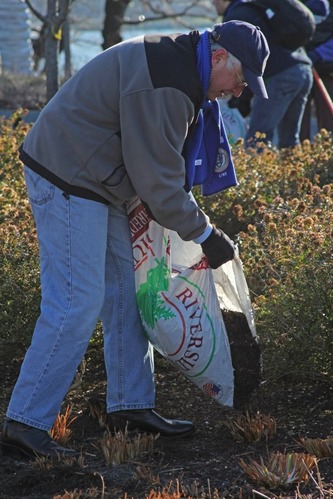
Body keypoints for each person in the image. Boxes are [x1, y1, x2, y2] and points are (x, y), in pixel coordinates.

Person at [0, 20, 269, 458]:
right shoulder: (170, 83)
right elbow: (158, 183)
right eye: (240, 80)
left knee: (127, 291)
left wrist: (197, 227)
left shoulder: (182, 63)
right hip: (68, 171)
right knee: (76, 300)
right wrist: (204, 233)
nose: (237, 92)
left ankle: (130, 406)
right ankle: (24, 422)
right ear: (218, 57)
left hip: (97, 175)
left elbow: (153, 175)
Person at [213, 0, 314, 149]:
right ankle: (296, 171)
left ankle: (256, 171)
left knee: (258, 138)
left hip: (279, 75)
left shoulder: (237, 17)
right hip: (302, 69)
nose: (212, 4)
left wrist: (239, 102)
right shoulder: (256, 7)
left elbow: (244, 63)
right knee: (289, 139)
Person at [301, 0, 333, 139]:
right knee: (299, 117)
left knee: (328, 120)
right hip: (300, 64)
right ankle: (296, 155)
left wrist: (318, 54)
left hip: (327, 68)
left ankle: (327, 151)